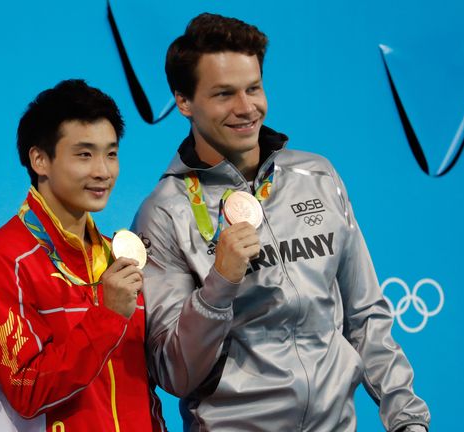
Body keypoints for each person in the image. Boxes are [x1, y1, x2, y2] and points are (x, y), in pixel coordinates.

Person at [132, 13, 430, 431]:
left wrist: (407, 419)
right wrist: (219, 285)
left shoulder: (317, 176)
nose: (245, 108)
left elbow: (365, 316)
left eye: (253, 88)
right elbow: (174, 372)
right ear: (184, 102)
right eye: (223, 94)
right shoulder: (164, 212)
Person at [0, 79, 164, 431]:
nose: (103, 171)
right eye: (84, 154)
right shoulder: (3, 261)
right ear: (40, 159)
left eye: (111, 153)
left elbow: (144, 388)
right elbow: (27, 391)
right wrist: (106, 317)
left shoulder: (116, 256)